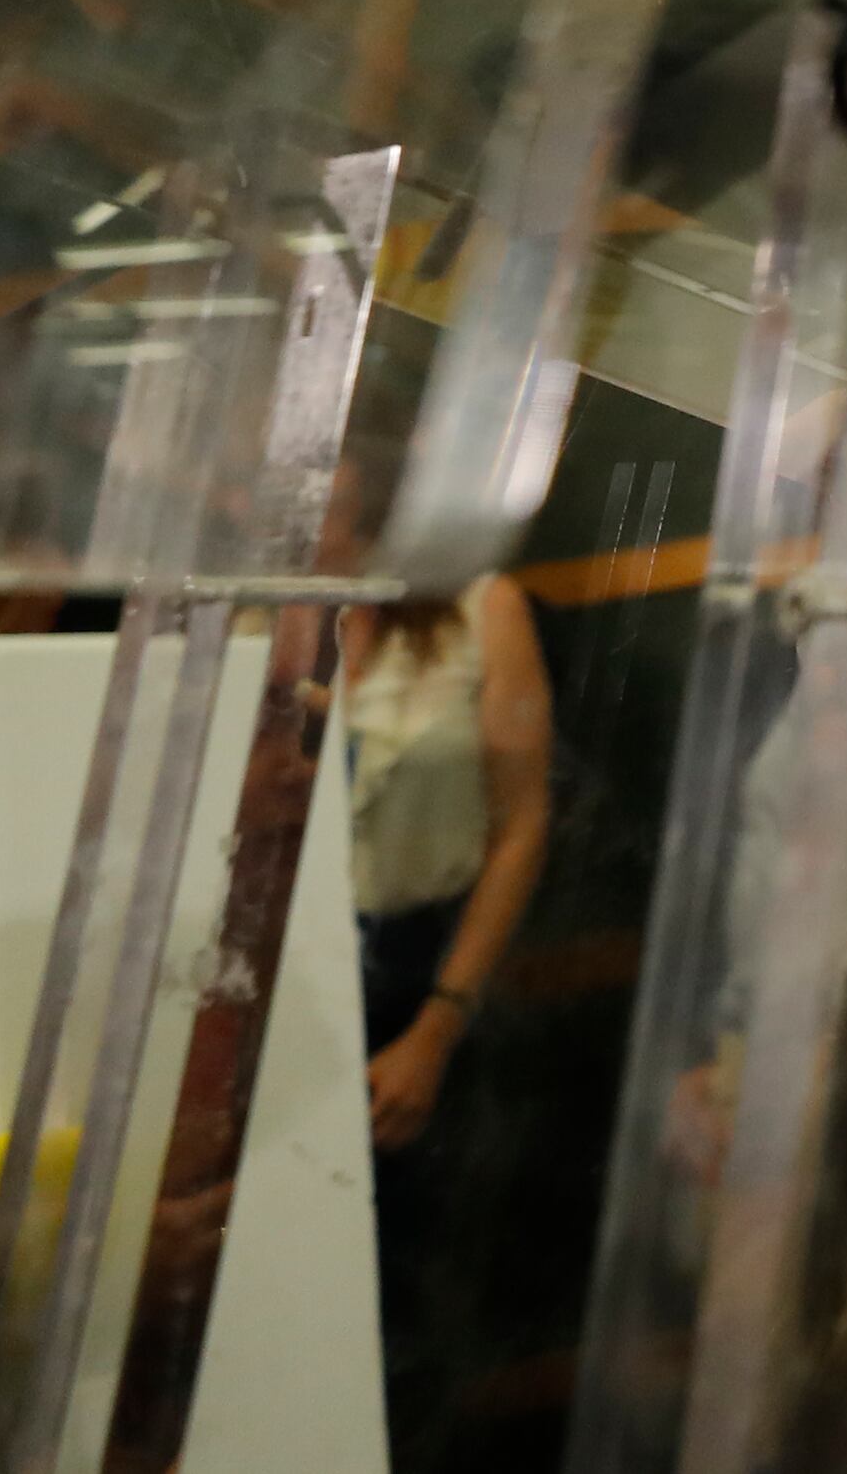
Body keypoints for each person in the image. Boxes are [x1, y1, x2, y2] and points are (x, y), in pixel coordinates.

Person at [337, 567, 551, 1461]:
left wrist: (436, 1024)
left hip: (410, 982)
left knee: (386, 1296)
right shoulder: (253, 591)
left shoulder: (481, 608)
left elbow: (522, 823)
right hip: (259, 976)